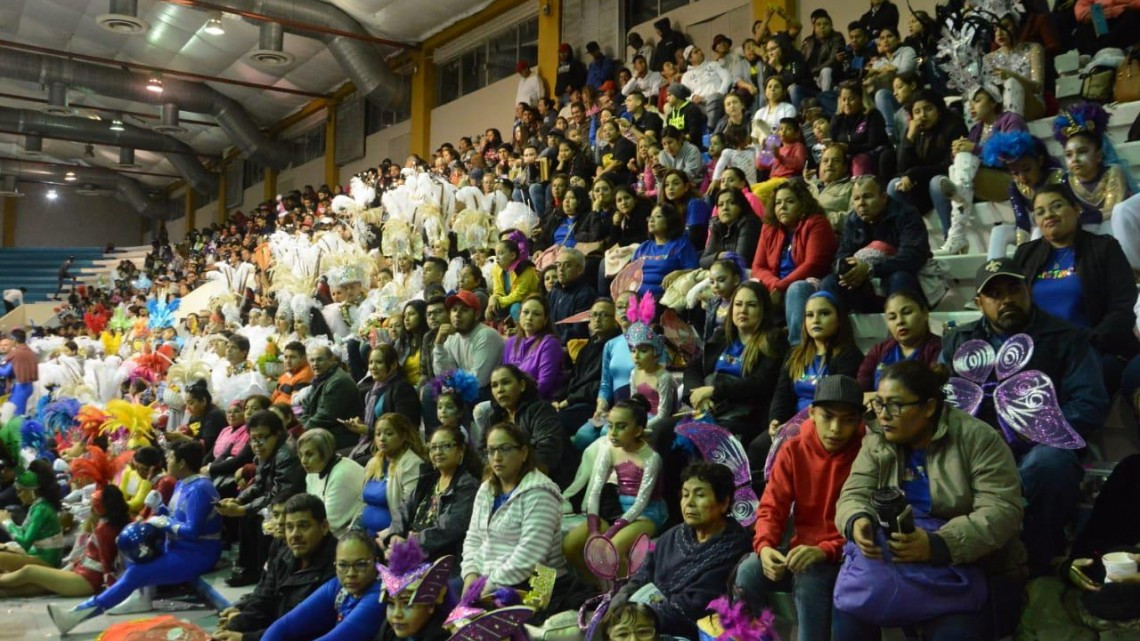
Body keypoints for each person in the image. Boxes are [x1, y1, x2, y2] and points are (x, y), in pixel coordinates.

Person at [942, 257, 1110, 576]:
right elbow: (944, 401)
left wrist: (1038, 428)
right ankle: (966, 563)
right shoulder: (958, 342)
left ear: (1029, 291)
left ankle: (1037, 561)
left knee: (1049, 465)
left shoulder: (1067, 337)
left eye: (1013, 289)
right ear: (979, 303)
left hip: (1043, 443)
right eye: (995, 294)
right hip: (980, 445)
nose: (1006, 299)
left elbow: (1089, 401)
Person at [834, 361, 1026, 640]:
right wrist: (857, 521)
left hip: (960, 562)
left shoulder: (977, 439)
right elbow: (855, 493)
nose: (884, 416)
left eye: (895, 405)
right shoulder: (878, 439)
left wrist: (938, 545)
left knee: (958, 631)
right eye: (879, 404)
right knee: (848, 610)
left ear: (929, 407)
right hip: (892, 558)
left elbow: (1002, 510)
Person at [736, 376, 866, 641]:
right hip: (801, 551)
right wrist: (765, 546)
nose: (836, 428)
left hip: (848, 556)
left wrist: (825, 550)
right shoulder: (793, 450)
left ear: (859, 420)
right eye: (827, 416)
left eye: (848, 419)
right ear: (812, 413)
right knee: (749, 569)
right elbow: (772, 506)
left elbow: (867, 525)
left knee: (810, 580)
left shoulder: (868, 452)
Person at [49, 441, 225, 633]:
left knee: (136, 573)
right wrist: (160, 508)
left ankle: (75, 616)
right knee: (132, 547)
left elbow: (193, 531)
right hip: (178, 546)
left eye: (171, 456)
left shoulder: (200, 489)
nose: (167, 459)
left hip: (197, 553)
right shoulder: (182, 483)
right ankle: (140, 596)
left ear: (182, 463)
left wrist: (165, 523)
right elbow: (176, 517)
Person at [1013, 185, 1140, 391]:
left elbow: (1122, 308)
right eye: (1040, 212)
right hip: (1038, 352)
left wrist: (1086, 343)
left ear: (1076, 209)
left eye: (1057, 206)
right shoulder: (1025, 255)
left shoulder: (1104, 248)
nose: (1049, 215)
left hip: (1095, 349)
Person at [611, 462, 752, 638]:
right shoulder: (672, 536)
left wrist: (639, 616)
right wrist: (622, 602)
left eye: (699, 495)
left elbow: (695, 606)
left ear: (724, 503)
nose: (689, 503)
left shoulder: (734, 548)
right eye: (685, 495)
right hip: (643, 621)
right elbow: (642, 575)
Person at [564, 396, 667, 584]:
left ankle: (622, 595)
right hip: (617, 510)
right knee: (571, 544)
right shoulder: (610, 450)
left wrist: (611, 532)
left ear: (637, 430)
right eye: (610, 425)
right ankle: (601, 588)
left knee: (615, 548)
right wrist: (594, 527)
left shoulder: (652, 458)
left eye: (621, 426)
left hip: (645, 514)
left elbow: (641, 503)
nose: (612, 433)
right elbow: (595, 490)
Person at [461, 422, 568, 601]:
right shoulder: (486, 489)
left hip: (533, 583)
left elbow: (530, 556)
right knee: (435, 600)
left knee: (475, 620)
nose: (496, 457)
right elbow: (473, 538)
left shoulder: (540, 491)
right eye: (491, 450)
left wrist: (483, 589)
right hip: (487, 576)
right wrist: (470, 577)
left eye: (505, 449)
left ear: (524, 453)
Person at [214, 493, 338, 641]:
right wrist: (234, 625)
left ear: (324, 527)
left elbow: (303, 629)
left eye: (303, 526)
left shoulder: (337, 568)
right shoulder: (285, 553)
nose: (295, 535)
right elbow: (264, 601)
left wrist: (245, 638)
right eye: (289, 527)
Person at [685, 281, 788, 443]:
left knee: (697, 439)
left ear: (764, 310)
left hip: (744, 415)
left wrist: (713, 391)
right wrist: (699, 395)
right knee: (663, 431)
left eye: (751, 305)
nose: (743, 310)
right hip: (711, 408)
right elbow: (693, 368)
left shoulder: (774, 339)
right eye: (738, 304)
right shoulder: (722, 336)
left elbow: (760, 383)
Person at [931, 85, 1027, 255]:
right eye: (969, 102)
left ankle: (957, 231)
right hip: (981, 181)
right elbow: (968, 160)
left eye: (977, 100)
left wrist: (974, 148)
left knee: (964, 161)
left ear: (993, 102)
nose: (971, 106)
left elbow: (1014, 157)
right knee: (958, 163)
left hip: (1013, 178)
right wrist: (958, 151)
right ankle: (957, 229)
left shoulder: (1011, 120)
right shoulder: (977, 129)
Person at [219, 410, 305, 587]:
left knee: (255, 518)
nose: (256, 444)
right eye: (252, 438)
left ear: (278, 433)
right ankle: (250, 570)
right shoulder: (264, 452)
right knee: (246, 514)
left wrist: (245, 509)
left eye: (262, 437)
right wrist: (239, 501)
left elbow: (281, 493)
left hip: (292, 502)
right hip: (275, 501)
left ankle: (262, 574)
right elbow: (258, 485)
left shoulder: (287, 453)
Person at [822, 176, 931, 313]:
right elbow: (841, 256)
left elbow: (913, 256)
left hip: (901, 279)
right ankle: (840, 333)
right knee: (830, 282)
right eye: (856, 199)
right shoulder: (852, 220)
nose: (861, 203)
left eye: (867, 197)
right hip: (866, 286)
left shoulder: (906, 214)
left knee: (900, 277)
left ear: (884, 197)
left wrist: (870, 269)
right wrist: (849, 271)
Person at [0, 484, 128, 598]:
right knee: (31, 585)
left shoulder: (104, 529)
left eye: (21, 490)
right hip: (80, 571)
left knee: (29, 571)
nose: (90, 509)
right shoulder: (105, 526)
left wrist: (111, 592)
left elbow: (106, 563)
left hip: (85, 579)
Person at [258, 530, 386, 641]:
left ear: (376, 563)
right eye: (343, 565)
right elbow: (282, 627)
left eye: (361, 564)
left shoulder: (380, 594)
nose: (351, 573)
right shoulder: (338, 586)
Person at [752, 180, 838, 341]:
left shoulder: (817, 223)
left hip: (809, 283)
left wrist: (780, 287)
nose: (782, 207)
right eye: (778, 203)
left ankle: (797, 350)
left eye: (789, 201)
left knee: (796, 289)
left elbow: (813, 265)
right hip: (776, 286)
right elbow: (758, 266)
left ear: (803, 204)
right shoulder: (769, 227)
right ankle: (749, 348)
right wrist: (774, 285)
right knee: (748, 288)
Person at [386, 424, 480, 562]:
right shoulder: (428, 478)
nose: (438, 452)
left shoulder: (467, 485)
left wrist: (411, 543)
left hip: (442, 556)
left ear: (461, 450)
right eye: (433, 447)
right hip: (411, 546)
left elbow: (449, 529)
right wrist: (395, 534)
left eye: (446, 446)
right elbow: (403, 509)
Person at [770, 291, 863, 429]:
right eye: (810, 315)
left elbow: (838, 401)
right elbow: (782, 394)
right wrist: (776, 420)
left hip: (827, 426)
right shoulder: (794, 354)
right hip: (792, 425)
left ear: (839, 320)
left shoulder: (849, 355)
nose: (816, 320)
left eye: (824, 313)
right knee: (759, 445)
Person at [887, 90, 969, 242]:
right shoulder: (914, 130)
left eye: (928, 109)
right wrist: (909, 138)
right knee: (893, 185)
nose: (922, 116)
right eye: (917, 112)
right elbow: (902, 169)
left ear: (939, 109)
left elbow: (949, 165)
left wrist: (915, 173)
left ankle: (951, 238)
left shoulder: (954, 126)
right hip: (922, 192)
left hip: (951, 185)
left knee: (937, 182)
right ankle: (910, 241)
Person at [480, 365, 570, 487]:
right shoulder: (494, 418)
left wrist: (514, 478)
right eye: (494, 385)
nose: (499, 390)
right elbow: (482, 452)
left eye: (506, 382)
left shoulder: (541, 411)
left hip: (543, 484)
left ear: (522, 385)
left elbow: (548, 453)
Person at [555, 298, 621, 433]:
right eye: (594, 315)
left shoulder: (617, 347)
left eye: (604, 315)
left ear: (615, 320)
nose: (597, 319)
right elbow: (574, 378)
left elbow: (601, 385)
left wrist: (568, 401)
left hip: (596, 405)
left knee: (555, 422)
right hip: (575, 402)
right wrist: (558, 399)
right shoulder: (589, 346)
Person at [348, 344, 422, 463]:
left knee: (350, 465)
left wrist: (368, 430)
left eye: (379, 362)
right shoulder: (373, 389)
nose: (373, 367)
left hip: (395, 450)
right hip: (372, 444)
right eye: (371, 362)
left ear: (393, 365)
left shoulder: (402, 389)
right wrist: (359, 423)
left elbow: (405, 430)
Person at [857, 289, 941, 392]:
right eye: (892, 317)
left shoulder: (939, 348)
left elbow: (932, 391)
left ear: (925, 313)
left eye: (907, 312)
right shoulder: (878, 350)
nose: (900, 321)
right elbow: (861, 390)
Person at [360, 412, 426, 541]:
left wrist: (386, 536)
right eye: (378, 434)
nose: (382, 439)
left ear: (403, 436)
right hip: (367, 535)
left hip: (392, 538)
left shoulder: (412, 464)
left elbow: (408, 509)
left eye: (389, 434)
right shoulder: (373, 463)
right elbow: (361, 504)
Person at [434, 290, 506, 398]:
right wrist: (439, 345)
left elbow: (478, 381)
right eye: (454, 310)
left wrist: (451, 383)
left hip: (491, 391)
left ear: (477, 315)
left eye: (464, 310)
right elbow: (443, 374)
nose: (457, 314)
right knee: (430, 391)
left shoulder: (486, 335)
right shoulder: (452, 337)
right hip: (465, 387)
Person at [298, 428, 365, 538]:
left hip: (349, 538)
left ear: (325, 453)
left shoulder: (342, 474)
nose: (303, 461)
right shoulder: (312, 473)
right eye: (301, 455)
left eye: (309, 454)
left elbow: (329, 524)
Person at [0, 460, 64, 570]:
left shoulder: (42, 509)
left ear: (32, 491)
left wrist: (7, 522)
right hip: (39, 553)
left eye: (21, 491)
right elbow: (25, 533)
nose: (18, 496)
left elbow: (25, 543)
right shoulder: (38, 506)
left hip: (47, 560)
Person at [301, 346, 364, 450]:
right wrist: (301, 424)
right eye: (312, 360)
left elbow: (325, 417)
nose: (315, 364)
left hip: (342, 435)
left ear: (331, 360)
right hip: (324, 431)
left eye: (319, 359)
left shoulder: (338, 381)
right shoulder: (320, 379)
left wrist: (302, 431)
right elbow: (304, 406)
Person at [632, 203, 699, 299]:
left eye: (658, 216)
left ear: (670, 221)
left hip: (664, 299)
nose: (651, 220)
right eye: (650, 217)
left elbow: (696, 272)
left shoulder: (682, 245)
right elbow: (630, 275)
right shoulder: (642, 248)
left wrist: (679, 273)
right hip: (636, 298)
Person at [504, 295, 564, 401]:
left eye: (536, 314)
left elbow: (544, 385)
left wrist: (515, 400)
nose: (529, 317)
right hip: (509, 399)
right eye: (525, 312)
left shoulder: (550, 343)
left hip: (536, 401)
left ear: (545, 320)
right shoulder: (510, 342)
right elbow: (503, 376)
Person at [829, 82, 890, 178]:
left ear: (861, 99)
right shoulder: (838, 118)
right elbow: (832, 140)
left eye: (851, 99)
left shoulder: (872, 115)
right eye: (843, 100)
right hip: (847, 155)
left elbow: (873, 144)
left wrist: (848, 148)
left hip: (872, 154)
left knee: (859, 160)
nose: (847, 104)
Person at [703, 185, 761, 269]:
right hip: (723, 271)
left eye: (731, 203)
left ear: (741, 205)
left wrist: (716, 258)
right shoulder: (717, 226)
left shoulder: (750, 223)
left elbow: (740, 260)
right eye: (721, 205)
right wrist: (721, 255)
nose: (725, 208)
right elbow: (703, 261)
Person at [549, 248, 597, 342]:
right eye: (558, 265)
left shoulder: (586, 294)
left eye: (567, 265)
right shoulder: (554, 292)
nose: (560, 269)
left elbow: (578, 332)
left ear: (579, 269)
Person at [487, 238, 541, 323]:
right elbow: (498, 291)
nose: (497, 257)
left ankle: (522, 332)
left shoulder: (525, 269)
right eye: (496, 253)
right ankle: (503, 330)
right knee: (494, 307)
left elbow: (520, 295)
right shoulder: (496, 268)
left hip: (530, 301)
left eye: (501, 253)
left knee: (515, 308)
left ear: (512, 255)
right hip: (509, 300)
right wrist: (493, 299)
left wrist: (498, 301)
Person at [680, 45, 732, 128]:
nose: (700, 52)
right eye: (696, 52)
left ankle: (711, 128)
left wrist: (720, 93)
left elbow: (727, 77)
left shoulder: (714, 65)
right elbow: (683, 93)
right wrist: (692, 97)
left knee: (715, 101)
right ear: (690, 59)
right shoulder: (686, 76)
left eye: (699, 50)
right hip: (700, 104)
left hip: (717, 99)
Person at [800, 9, 847, 92]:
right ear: (814, 27)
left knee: (826, 71)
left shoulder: (837, 38)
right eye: (818, 24)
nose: (822, 27)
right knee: (793, 87)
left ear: (831, 25)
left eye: (826, 24)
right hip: (809, 77)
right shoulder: (808, 41)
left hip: (830, 75)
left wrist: (814, 70)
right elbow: (801, 59)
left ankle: (825, 96)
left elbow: (832, 60)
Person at [0, 329, 38, 416]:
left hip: (20, 387)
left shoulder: (18, 353)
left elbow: (6, 372)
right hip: (29, 386)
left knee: (16, 415)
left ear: (14, 340)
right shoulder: (28, 350)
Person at [271, 341, 313, 405]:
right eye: (286, 357)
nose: (288, 361)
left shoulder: (305, 375)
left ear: (303, 358)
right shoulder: (288, 373)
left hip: (286, 412)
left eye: (292, 357)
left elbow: (297, 406)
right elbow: (273, 397)